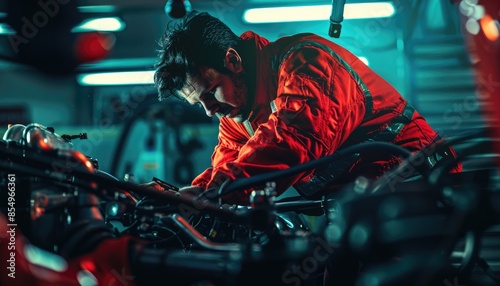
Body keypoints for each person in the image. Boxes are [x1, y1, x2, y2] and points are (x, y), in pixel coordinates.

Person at [153, 10, 461, 205]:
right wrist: (180, 196)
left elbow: (293, 140)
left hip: (419, 181)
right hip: (366, 197)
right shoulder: (236, 115)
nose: (209, 110)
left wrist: (213, 194)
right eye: (199, 103)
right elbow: (229, 167)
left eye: (209, 93)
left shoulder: (307, 62)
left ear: (233, 61)